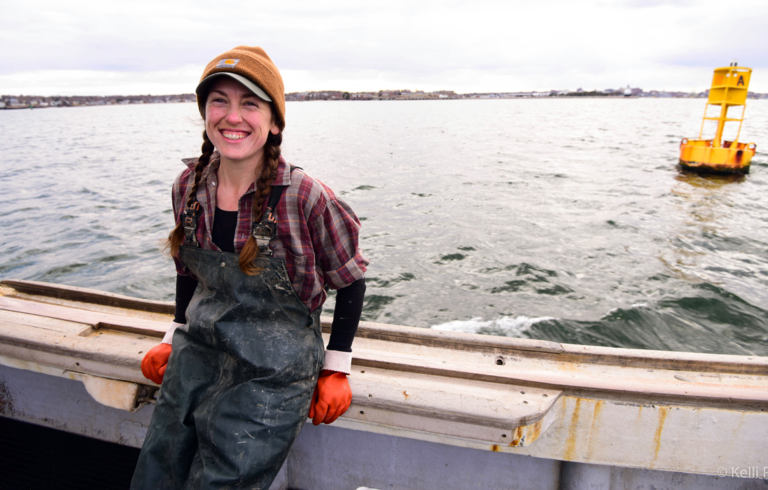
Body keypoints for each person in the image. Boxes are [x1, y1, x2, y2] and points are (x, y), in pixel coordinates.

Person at [131, 46, 368, 489]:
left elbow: (350, 283)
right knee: (157, 468)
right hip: (198, 349)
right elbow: (188, 274)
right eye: (219, 100)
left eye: (250, 104)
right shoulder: (188, 186)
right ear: (204, 112)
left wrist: (336, 368)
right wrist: (172, 336)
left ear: (274, 122)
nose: (232, 116)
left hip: (274, 371)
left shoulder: (306, 197)